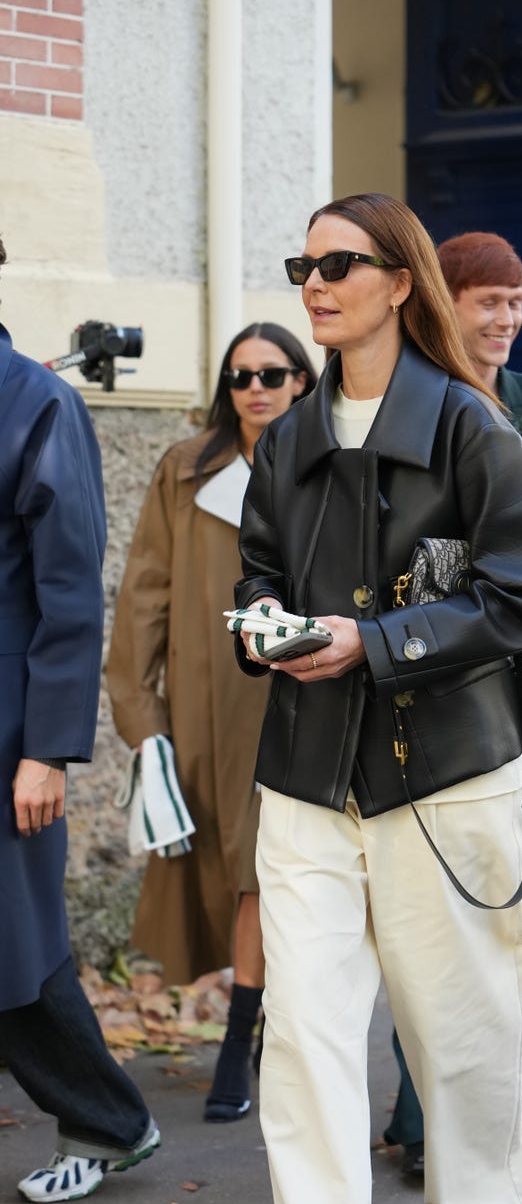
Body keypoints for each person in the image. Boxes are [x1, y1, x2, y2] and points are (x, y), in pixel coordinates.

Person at [220, 193, 522, 1204]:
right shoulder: (284, 439)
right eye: (303, 264)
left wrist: (374, 644)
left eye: (340, 263)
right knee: (308, 1030)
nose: (314, 283)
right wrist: (260, 626)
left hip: (451, 771)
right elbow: (257, 572)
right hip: (309, 776)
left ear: (398, 281)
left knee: (459, 1024)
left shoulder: (478, 432)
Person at [384, 231, 522, 1163]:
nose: (505, 318)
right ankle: (425, 1115)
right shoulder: (408, 400)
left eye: (516, 300)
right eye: (486, 301)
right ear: (445, 301)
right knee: (434, 907)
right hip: (438, 685)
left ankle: (519, 1105)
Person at [106, 324, 316, 1121]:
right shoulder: (185, 469)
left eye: (271, 373)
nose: (255, 388)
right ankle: (248, 1030)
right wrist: (139, 709)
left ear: (301, 379)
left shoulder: (328, 462)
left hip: (301, 690)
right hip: (205, 699)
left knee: (269, 873)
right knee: (232, 872)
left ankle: (243, 1037)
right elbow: (144, 592)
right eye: (238, 376)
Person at [0, 234, 160, 1202]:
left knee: (19, 942)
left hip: (9, 728)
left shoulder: (37, 401)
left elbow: (68, 592)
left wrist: (50, 751)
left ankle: (111, 1123)